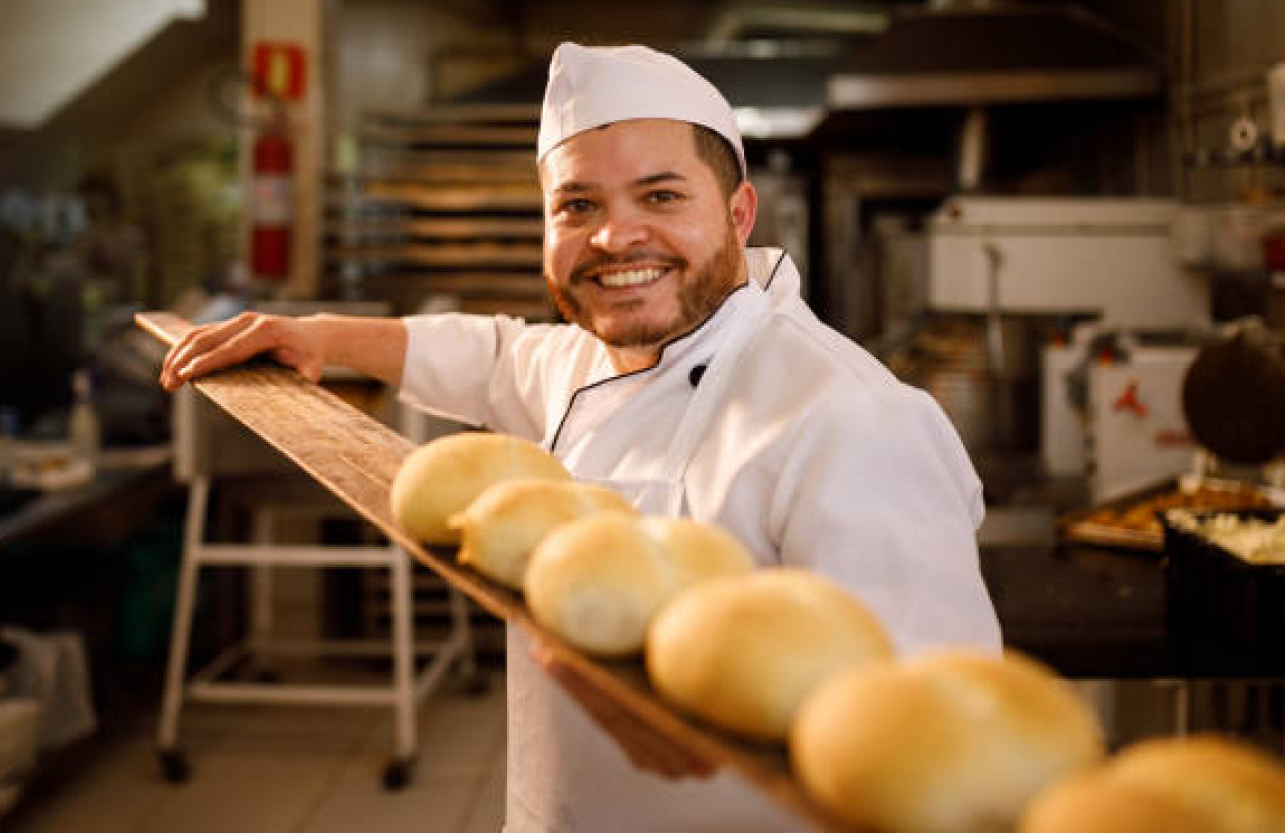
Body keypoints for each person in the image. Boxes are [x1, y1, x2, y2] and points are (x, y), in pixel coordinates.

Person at [160, 42, 1002, 832]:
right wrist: (323, 337)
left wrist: (718, 745)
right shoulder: (595, 359)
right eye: (577, 206)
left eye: (661, 197)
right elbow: (494, 354)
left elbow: (940, 746)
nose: (614, 237)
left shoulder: (851, 419)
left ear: (740, 213)